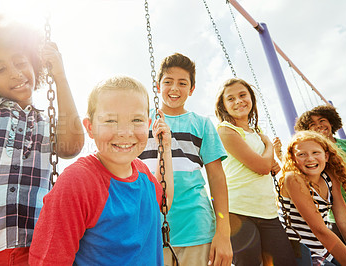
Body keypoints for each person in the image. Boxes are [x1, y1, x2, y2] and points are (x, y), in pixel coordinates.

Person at [0, 13, 84, 264]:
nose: (15, 73)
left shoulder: (47, 123)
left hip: (27, 249)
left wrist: (61, 77)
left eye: (21, 62)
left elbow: (72, 146)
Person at [29, 76, 174, 265]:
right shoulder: (78, 181)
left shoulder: (144, 173)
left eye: (136, 120)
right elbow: (49, 260)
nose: (125, 131)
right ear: (90, 128)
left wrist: (166, 148)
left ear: (147, 125)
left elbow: (164, 204)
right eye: (111, 120)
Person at [139, 53, 232, 266]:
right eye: (168, 82)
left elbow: (217, 178)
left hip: (196, 227)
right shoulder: (142, 119)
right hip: (148, 226)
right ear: (157, 85)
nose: (174, 89)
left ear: (191, 89)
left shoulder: (202, 124)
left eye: (182, 83)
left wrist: (223, 232)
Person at [215, 78, 296, 266]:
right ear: (224, 106)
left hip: (268, 210)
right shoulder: (225, 130)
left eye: (242, 95)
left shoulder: (257, 132)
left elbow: (267, 166)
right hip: (239, 212)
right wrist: (268, 146)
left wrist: (271, 162)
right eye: (231, 99)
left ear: (251, 97)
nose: (238, 101)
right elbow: (261, 166)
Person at [279, 130, 346, 265]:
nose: (310, 158)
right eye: (302, 154)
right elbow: (319, 229)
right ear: (293, 159)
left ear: (326, 156)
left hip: (321, 251)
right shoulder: (293, 179)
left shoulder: (329, 178)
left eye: (315, 152)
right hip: (298, 253)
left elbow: (345, 221)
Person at [295, 104, 346, 245]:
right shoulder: (313, 157)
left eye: (322, 120)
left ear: (331, 121)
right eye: (312, 124)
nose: (319, 125)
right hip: (338, 216)